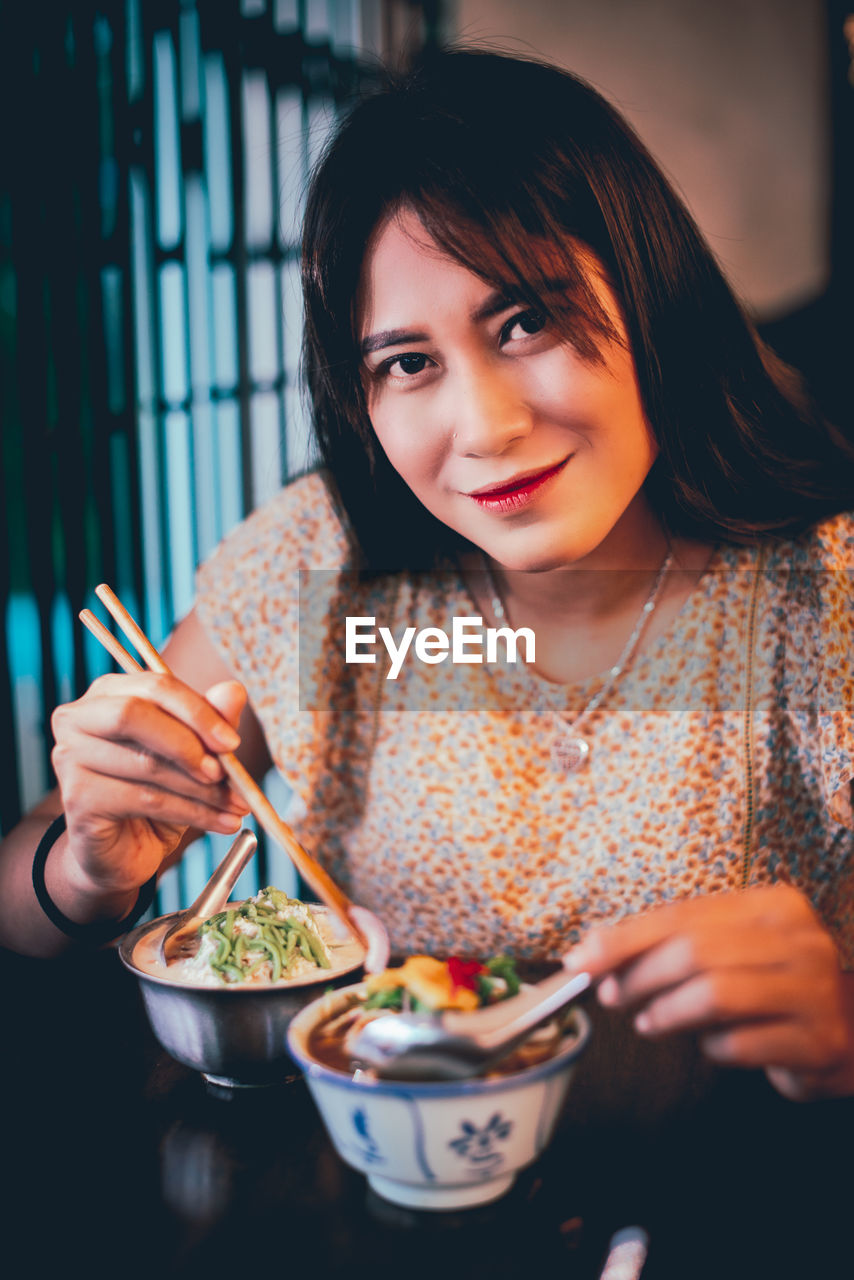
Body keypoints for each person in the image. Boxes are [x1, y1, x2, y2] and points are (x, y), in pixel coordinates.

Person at [1, 48, 853, 1103]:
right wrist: (88, 867)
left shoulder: (821, 595)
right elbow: (22, 892)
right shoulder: (322, 572)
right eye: (407, 362)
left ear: (650, 297)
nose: (486, 426)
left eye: (527, 320)